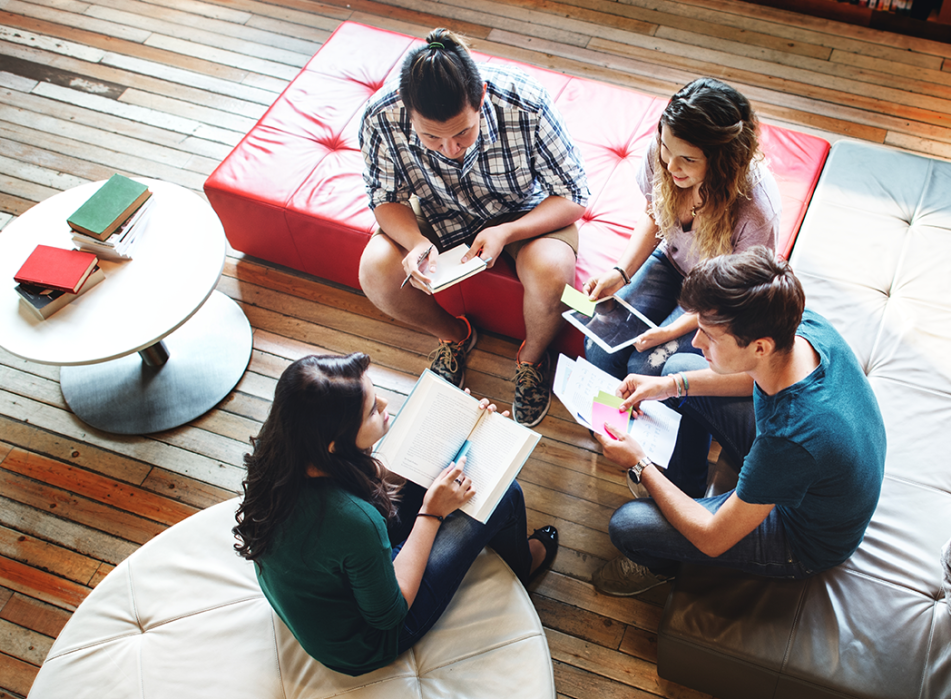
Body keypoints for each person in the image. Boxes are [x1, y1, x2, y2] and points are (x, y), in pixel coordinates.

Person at [232, 353, 559, 676]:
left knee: (442, 472)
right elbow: (389, 615)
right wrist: (432, 512)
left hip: (328, 585)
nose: (386, 404)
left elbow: (371, 480)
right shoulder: (353, 519)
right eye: (373, 409)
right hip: (366, 640)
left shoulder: (280, 449)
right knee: (505, 495)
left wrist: (457, 430)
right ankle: (522, 567)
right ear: (334, 443)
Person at [589, 247, 885, 597]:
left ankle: (662, 566)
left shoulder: (789, 439)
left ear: (759, 347)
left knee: (627, 526)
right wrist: (668, 387)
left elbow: (713, 538)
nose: (697, 342)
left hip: (804, 538)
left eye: (710, 337)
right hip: (811, 472)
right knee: (677, 370)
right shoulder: (800, 323)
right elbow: (755, 378)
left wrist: (640, 464)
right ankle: (687, 486)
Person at [358, 28, 590, 427]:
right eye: (432, 137)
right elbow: (384, 197)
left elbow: (574, 195)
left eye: (463, 132)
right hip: (435, 211)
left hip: (523, 212)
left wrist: (508, 232)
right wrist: (414, 242)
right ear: (407, 110)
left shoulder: (526, 103)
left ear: (481, 97)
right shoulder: (381, 117)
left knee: (553, 273)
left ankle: (532, 359)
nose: (451, 149)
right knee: (374, 270)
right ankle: (453, 335)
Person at [584, 78, 781, 379]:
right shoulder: (662, 154)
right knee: (600, 344)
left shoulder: (756, 209)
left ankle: (630, 425)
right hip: (671, 262)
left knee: (648, 366)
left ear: (722, 163)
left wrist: (669, 332)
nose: (671, 166)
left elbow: (734, 293)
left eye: (688, 159)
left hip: (720, 292)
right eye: (666, 147)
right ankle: (603, 426)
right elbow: (654, 213)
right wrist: (621, 273)